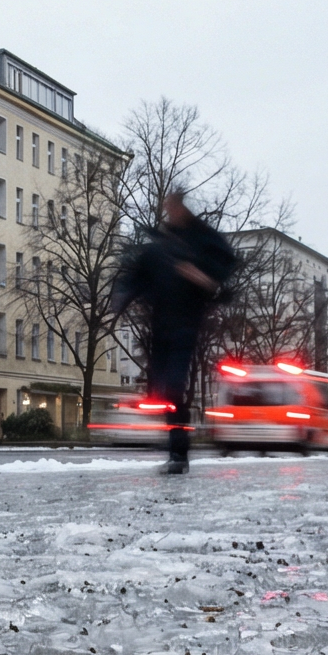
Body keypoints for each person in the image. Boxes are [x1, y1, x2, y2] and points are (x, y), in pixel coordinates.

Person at [110, 192, 237, 475]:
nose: (170, 212)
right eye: (167, 208)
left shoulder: (199, 241)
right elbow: (136, 277)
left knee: (174, 386)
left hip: (186, 325)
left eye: (174, 207)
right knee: (161, 389)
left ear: (182, 208)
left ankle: (178, 452)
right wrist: (121, 299)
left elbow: (225, 265)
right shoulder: (159, 248)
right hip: (159, 325)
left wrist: (206, 279)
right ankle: (174, 444)